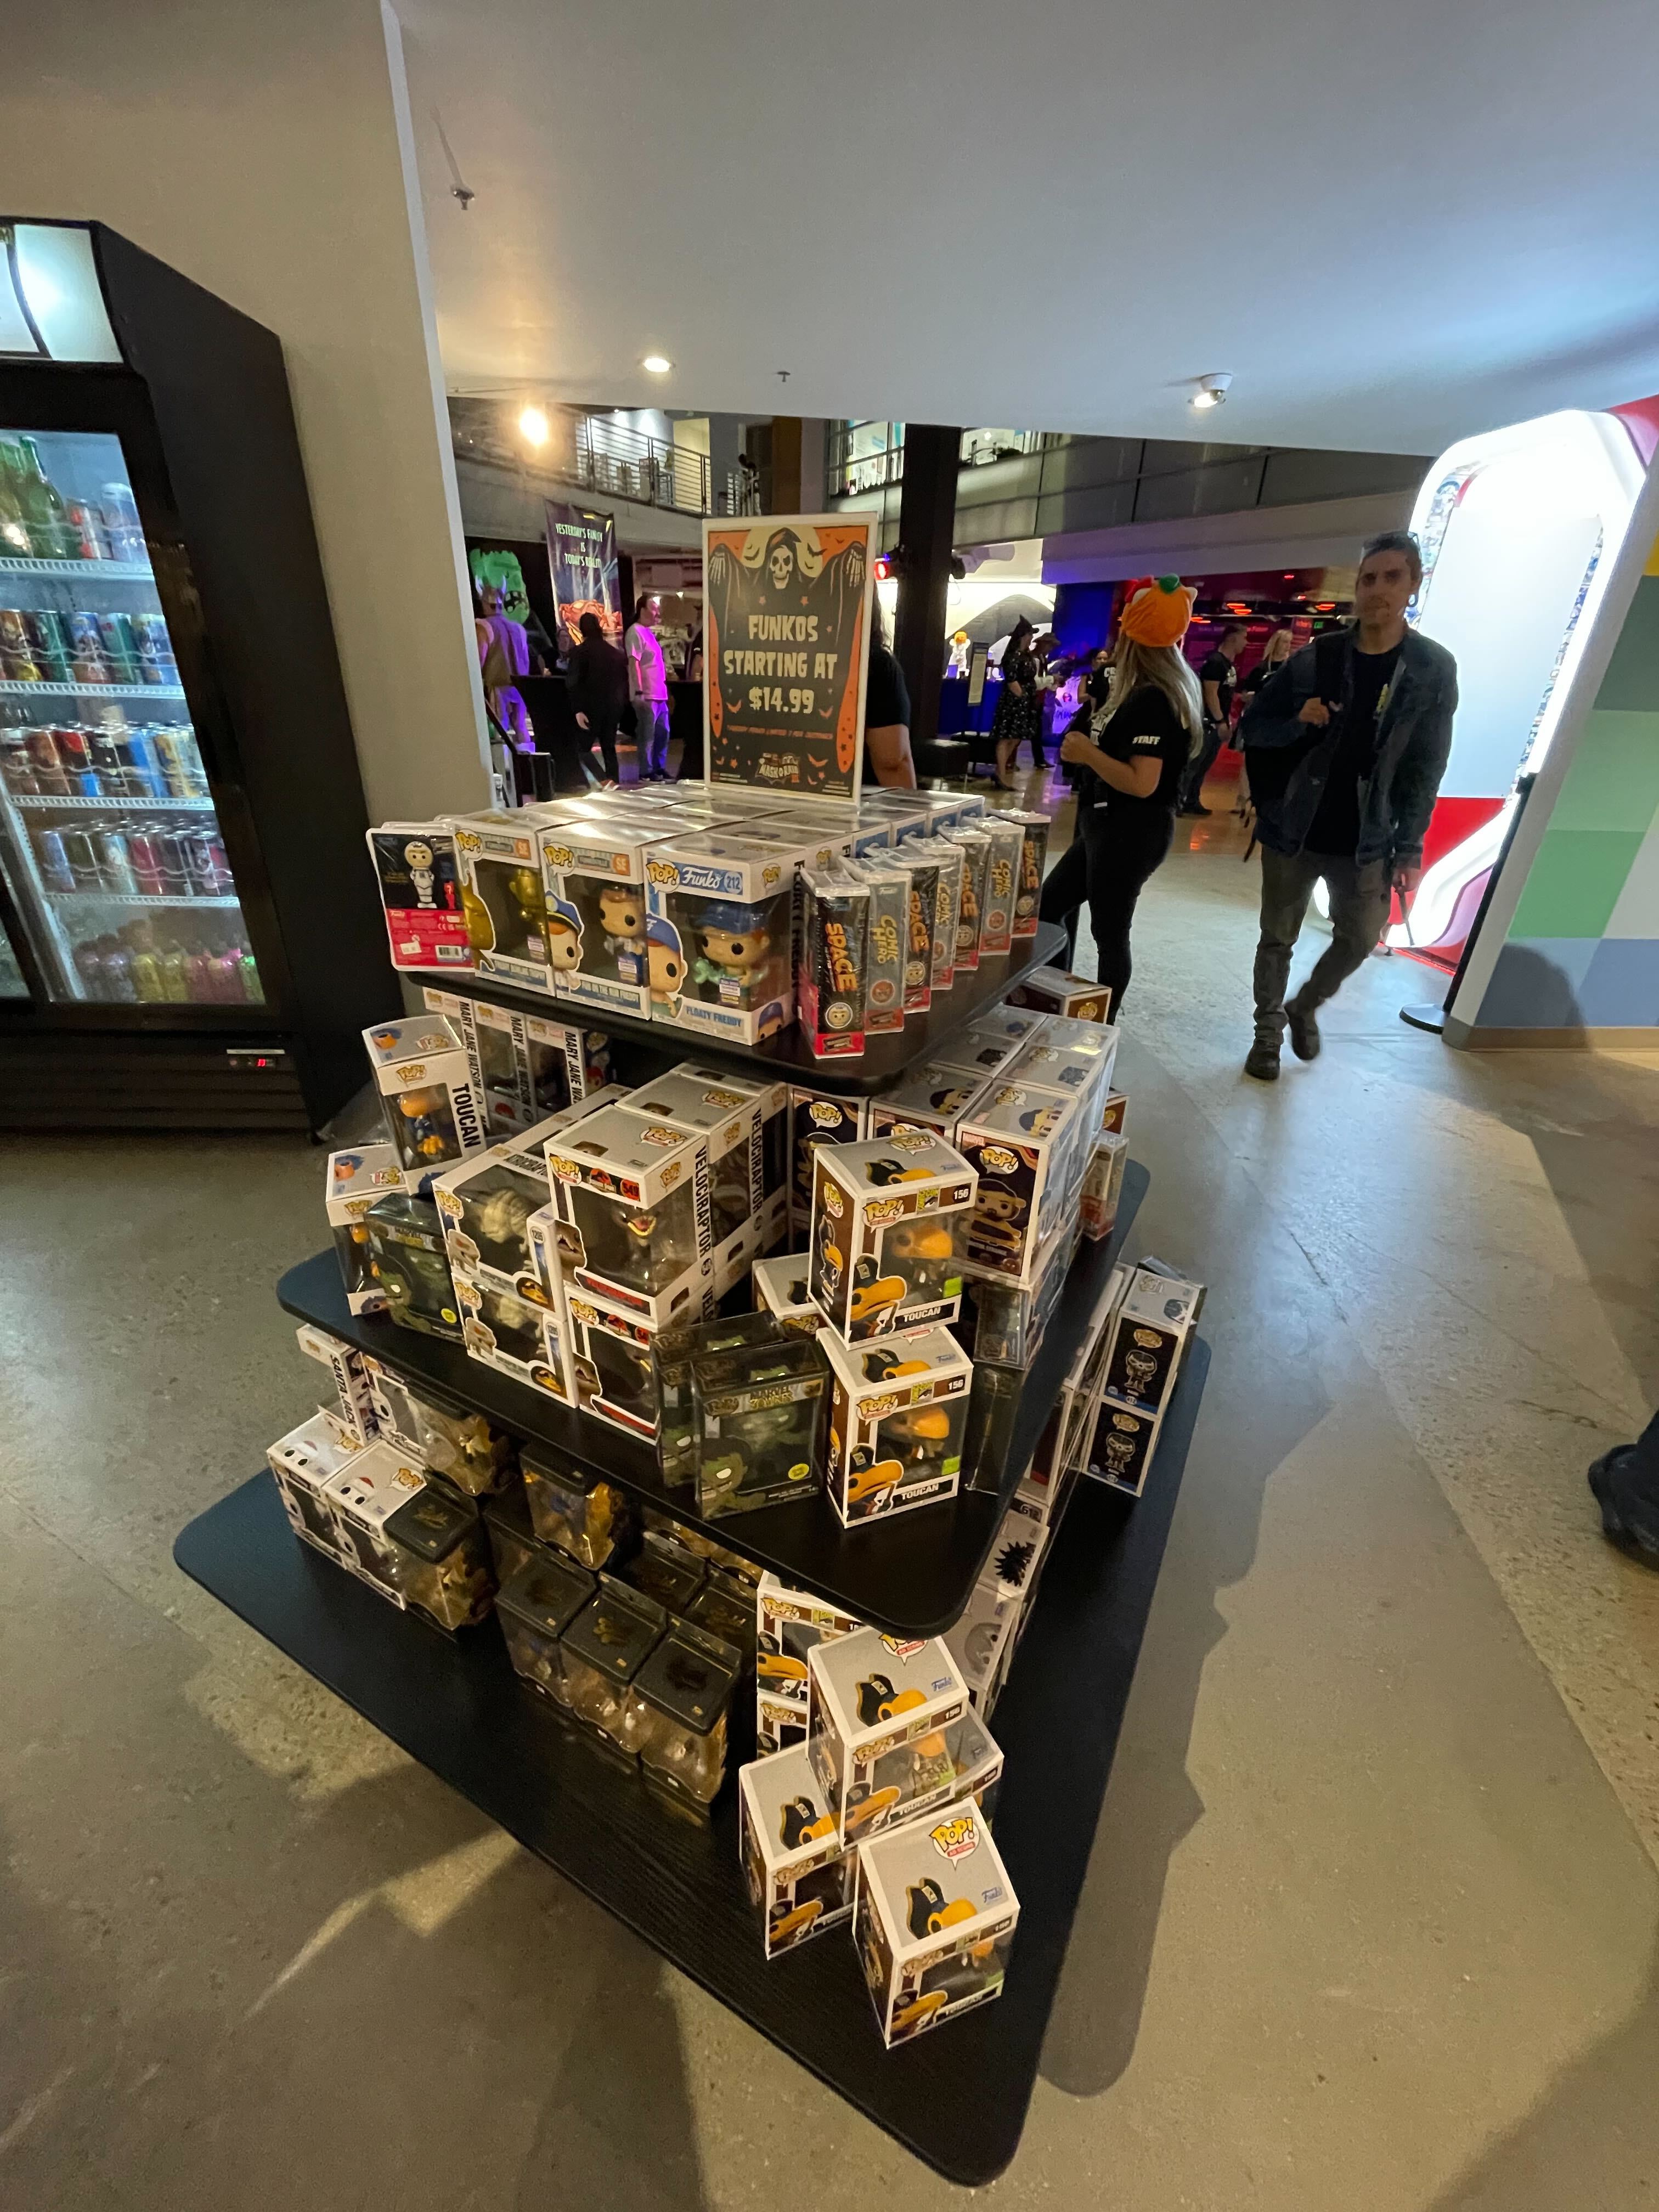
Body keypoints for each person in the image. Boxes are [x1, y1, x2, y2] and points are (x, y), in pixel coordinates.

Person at [1238, 531, 1457, 1082]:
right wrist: (1299, 720)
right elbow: (1254, 728)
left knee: (1361, 936)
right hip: (1295, 825)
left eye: (1391, 577)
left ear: (1414, 585)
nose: (1377, 589)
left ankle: (1306, 1004)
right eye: (1368, 579)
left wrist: (1410, 845)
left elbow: (1427, 764)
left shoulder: (1431, 668)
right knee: (1277, 937)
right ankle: (1267, 1036)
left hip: (1368, 835)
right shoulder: (1318, 659)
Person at [1036, 575, 1203, 1015]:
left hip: (1130, 831)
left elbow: (1143, 782)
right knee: (1049, 908)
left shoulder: (1155, 699)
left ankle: (1099, 1025)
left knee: (1109, 934)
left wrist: (1088, 754)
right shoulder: (1145, 690)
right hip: (1108, 826)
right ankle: (1055, 1003)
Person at [1178, 621, 1246, 814]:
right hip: (1208, 723)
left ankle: (1192, 799)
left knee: (1205, 764)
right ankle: (1179, 800)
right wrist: (1219, 721)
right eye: (1244, 637)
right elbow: (1211, 693)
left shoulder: (1228, 665)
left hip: (1218, 722)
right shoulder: (1216, 662)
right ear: (1232, 638)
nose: (1246, 642)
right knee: (1194, 764)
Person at [566, 610, 628, 783]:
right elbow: (623, 681)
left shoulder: (579, 653)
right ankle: (613, 781)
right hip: (613, 706)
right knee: (609, 747)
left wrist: (578, 709)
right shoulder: (614, 653)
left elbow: (574, 683)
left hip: (590, 708)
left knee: (583, 748)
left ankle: (603, 780)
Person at [863, 597, 915, 789]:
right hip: (862, 801)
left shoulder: (780, 660)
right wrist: (908, 805)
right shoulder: (875, 664)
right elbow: (892, 761)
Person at [624, 592, 673, 781]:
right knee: (648, 735)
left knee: (663, 732)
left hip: (659, 693)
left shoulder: (649, 633)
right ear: (643, 610)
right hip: (647, 693)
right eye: (654, 609)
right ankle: (646, 771)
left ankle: (659, 767)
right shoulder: (635, 632)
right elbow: (633, 663)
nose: (657, 613)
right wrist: (638, 691)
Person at [991, 617, 1042, 789]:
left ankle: (1001, 769)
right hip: (1013, 701)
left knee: (1016, 737)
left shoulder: (1027, 656)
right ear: (1023, 636)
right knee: (1007, 737)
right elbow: (1012, 680)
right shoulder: (1012, 657)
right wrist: (1022, 696)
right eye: (1029, 635)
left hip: (1025, 700)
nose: (1031, 638)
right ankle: (1001, 772)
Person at [1243, 625, 1294, 695]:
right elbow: (1246, 692)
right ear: (1276, 643)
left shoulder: (1291, 668)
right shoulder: (1260, 669)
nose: (1288, 646)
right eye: (1285, 642)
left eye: (1290, 642)